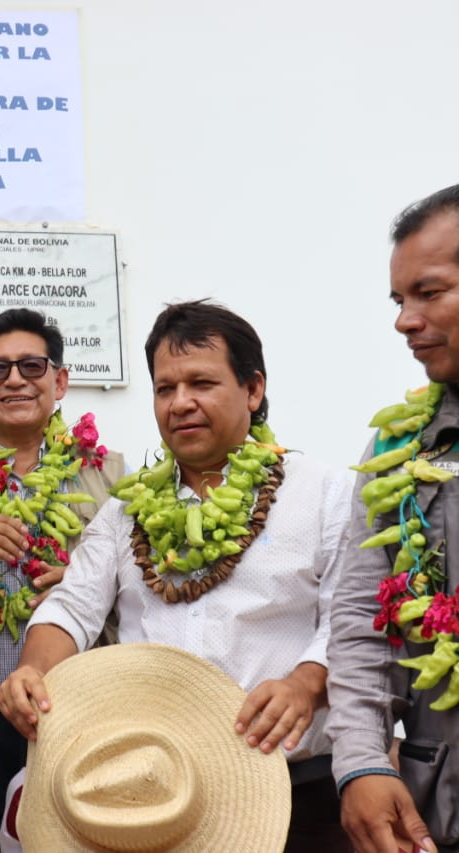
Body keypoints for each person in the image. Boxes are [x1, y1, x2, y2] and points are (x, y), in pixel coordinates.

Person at [0, 300, 351, 851]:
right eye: (165, 388)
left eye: (201, 383)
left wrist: (304, 684)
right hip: (153, 798)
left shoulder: (322, 493)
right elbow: (72, 606)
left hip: (296, 791)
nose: (180, 402)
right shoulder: (126, 511)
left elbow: (352, 620)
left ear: (253, 389)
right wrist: (33, 670)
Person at [0, 308, 122, 852]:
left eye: (32, 366)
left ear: (60, 381)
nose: (15, 380)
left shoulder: (113, 477)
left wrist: (85, 586)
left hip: (77, 716)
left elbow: (143, 597)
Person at [327, 183, 459, 853]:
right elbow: (360, 623)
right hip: (438, 818)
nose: (405, 320)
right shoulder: (396, 451)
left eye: (428, 293)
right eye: (399, 300)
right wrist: (362, 762)